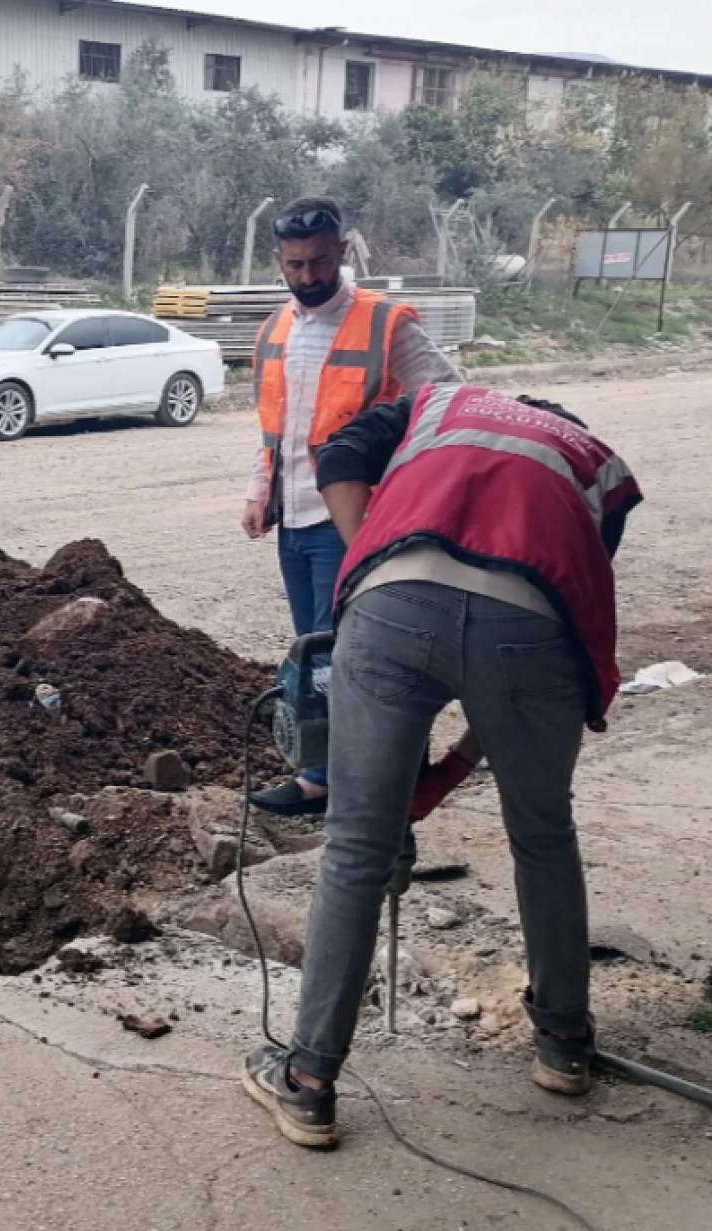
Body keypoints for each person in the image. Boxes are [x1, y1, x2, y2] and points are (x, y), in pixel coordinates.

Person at [242, 383, 642, 1148]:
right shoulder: (591, 460)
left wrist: (367, 573)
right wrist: (453, 769)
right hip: (528, 627)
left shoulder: (431, 403)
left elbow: (338, 456)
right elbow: (559, 603)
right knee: (544, 833)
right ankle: (564, 1045)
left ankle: (309, 1080)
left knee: (357, 846)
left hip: (392, 604)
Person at [244, 197, 460, 817]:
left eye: (318, 262)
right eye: (294, 265)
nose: (307, 276)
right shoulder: (277, 329)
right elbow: (276, 427)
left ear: (343, 251)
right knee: (320, 652)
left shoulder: (386, 324)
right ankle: (353, 773)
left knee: (357, 651)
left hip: (357, 520)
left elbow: (446, 400)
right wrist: (261, 492)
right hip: (296, 521)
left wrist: (394, 474)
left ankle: (348, 778)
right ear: (278, 261)